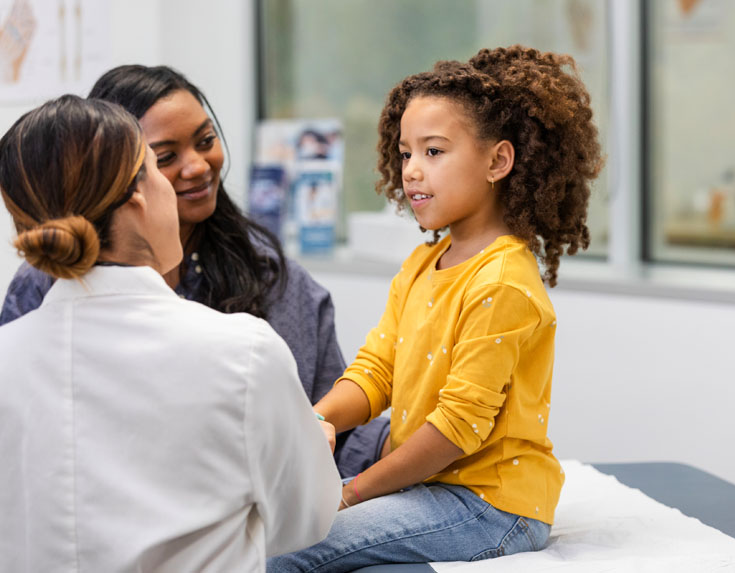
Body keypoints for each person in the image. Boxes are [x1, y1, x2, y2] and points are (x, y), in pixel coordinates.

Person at [267, 45, 603, 572]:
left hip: (491, 507)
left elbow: (455, 430)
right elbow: (377, 372)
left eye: (434, 151)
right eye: (405, 154)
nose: (412, 172)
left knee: (292, 550)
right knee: (269, 528)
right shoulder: (423, 264)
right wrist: (316, 418)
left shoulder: (504, 282)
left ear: (498, 161)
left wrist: (353, 492)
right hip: (433, 488)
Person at [0, 95, 341, 572]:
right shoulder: (243, 352)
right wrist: (311, 445)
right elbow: (304, 524)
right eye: (158, 166)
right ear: (139, 195)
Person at [0, 65, 389, 477]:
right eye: (164, 158)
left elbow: (334, 436)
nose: (198, 167)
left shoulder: (271, 275)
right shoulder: (42, 292)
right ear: (114, 180)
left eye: (206, 141)